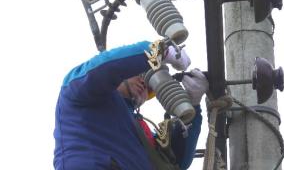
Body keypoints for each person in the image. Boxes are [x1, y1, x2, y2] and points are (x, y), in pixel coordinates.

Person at [53, 41, 209, 170]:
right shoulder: (77, 93)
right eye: (140, 74)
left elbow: (177, 161)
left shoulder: (136, 130)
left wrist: (192, 104)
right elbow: (105, 67)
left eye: (150, 86)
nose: (143, 83)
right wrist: (157, 51)